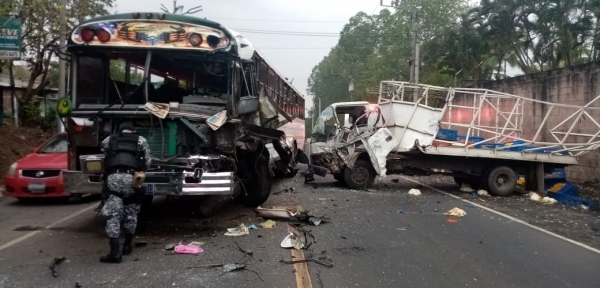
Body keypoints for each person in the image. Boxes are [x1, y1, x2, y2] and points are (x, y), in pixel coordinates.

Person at [99, 121, 151, 264]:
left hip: (113, 178)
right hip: (132, 178)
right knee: (131, 212)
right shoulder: (141, 140)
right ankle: (127, 246)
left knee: (113, 214)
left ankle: (115, 253)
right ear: (133, 131)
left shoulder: (109, 139)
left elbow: (104, 154)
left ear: (120, 131)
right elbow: (147, 162)